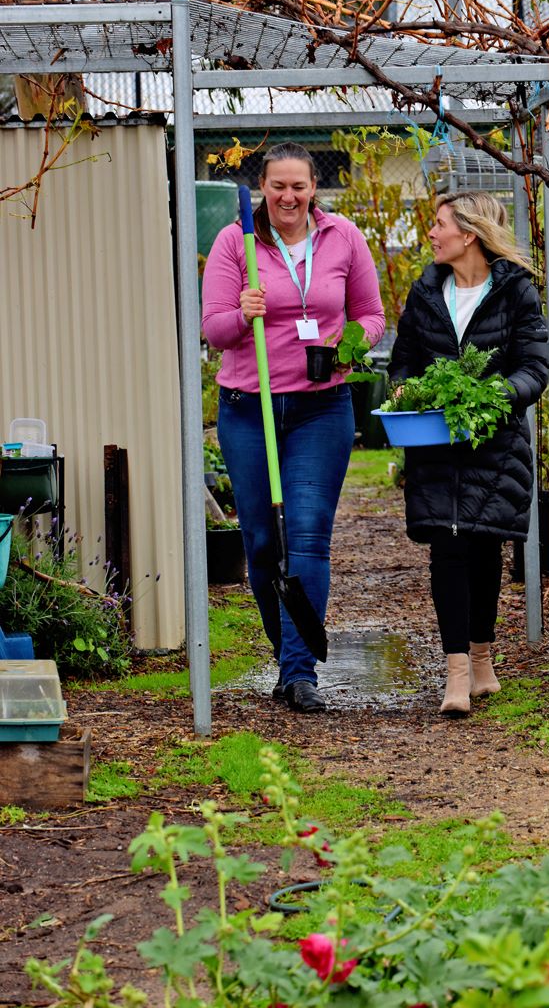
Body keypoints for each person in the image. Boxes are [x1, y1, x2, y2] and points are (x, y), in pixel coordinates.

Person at [202, 142, 385, 712]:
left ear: (314, 188)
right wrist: (243, 314)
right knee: (260, 541)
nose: (288, 196)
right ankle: (288, 650)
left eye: (298, 186)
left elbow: (372, 315)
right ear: (262, 186)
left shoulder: (344, 238)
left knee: (306, 536)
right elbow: (214, 329)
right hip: (248, 408)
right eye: (278, 186)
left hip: (320, 408)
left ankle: (299, 671)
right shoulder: (236, 242)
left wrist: (349, 347)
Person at [388, 190, 548, 716]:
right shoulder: (425, 292)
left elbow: (534, 368)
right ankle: (457, 670)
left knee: (484, 548)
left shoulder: (517, 292)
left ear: (470, 234)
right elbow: (404, 361)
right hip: (435, 442)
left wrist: (494, 397)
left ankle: (482, 656)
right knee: (447, 546)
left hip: (493, 444)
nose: (431, 234)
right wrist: (407, 392)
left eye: (438, 225)